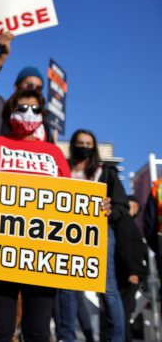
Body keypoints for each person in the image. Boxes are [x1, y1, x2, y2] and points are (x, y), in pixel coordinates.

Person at [0, 88, 71, 341]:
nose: (29, 113)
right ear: (10, 112)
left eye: (36, 109)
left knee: (38, 330)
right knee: (0, 328)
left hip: (43, 252)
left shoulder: (54, 153)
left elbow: (72, 199)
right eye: (22, 107)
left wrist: (96, 206)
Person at [59, 129, 130, 342]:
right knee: (67, 287)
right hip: (67, 233)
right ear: (73, 145)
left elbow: (121, 205)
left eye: (89, 143)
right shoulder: (62, 169)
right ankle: (66, 337)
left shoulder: (106, 172)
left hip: (99, 233)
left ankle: (116, 338)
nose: (84, 146)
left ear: (95, 147)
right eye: (80, 143)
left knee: (107, 288)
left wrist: (110, 211)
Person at [0, 32, 50, 142]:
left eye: (38, 88)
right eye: (29, 85)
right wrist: (2, 56)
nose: (33, 90)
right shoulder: (0, 107)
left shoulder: (44, 120)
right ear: (16, 87)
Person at [115, 196, 148, 342]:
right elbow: (125, 247)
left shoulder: (126, 222)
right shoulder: (126, 221)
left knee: (126, 310)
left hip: (130, 272)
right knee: (125, 311)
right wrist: (132, 271)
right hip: (128, 274)